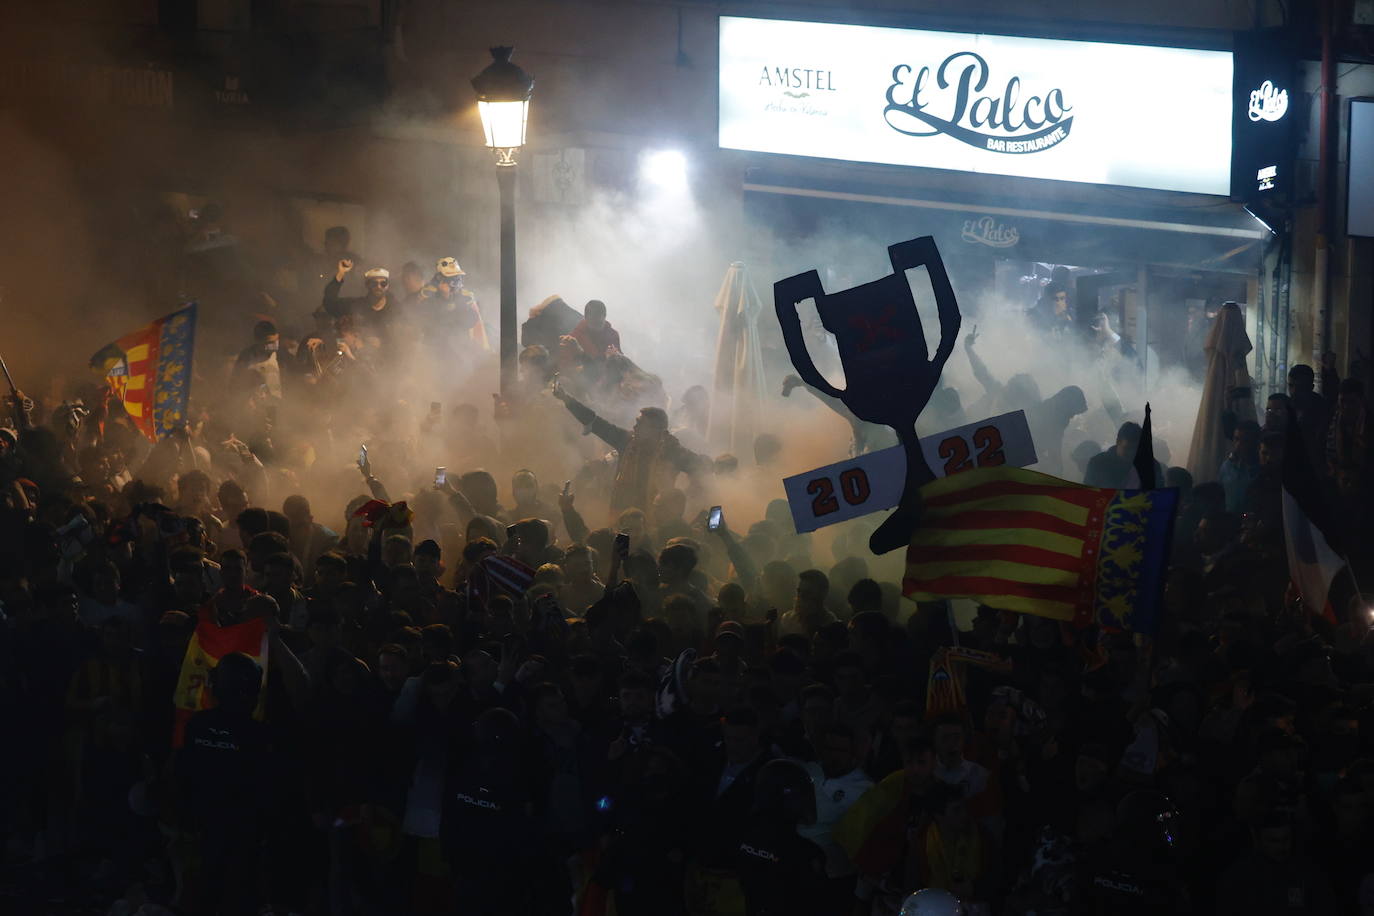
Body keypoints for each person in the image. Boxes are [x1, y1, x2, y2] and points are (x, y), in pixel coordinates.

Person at [551, 385, 710, 512]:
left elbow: (702, 468)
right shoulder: (626, 441)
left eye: (640, 424)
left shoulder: (672, 450)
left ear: (656, 430)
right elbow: (597, 423)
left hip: (656, 519)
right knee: (620, 551)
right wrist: (567, 399)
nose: (634, 426)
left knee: (648, 553)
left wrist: (684, 498)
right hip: (622, 516)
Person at [233, 320, 283, 400]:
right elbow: (235, 385)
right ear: (258, 342)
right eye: (269, 343)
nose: (274, 345)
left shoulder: (281, 354)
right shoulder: (247, 357)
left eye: (276, 341)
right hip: (256, 404)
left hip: (278, 402)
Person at [1219, 420, 1261, 513]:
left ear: (1256, 443)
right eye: (1236, 439)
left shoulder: (1263, 470)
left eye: (1245, 441)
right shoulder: (1227, 467)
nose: (1238, 445)